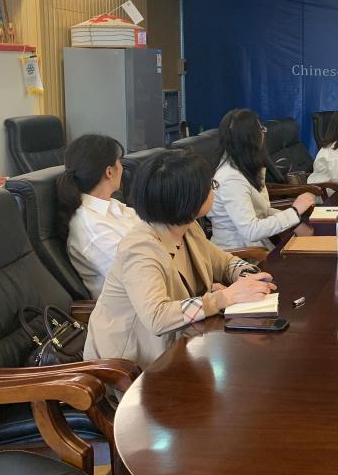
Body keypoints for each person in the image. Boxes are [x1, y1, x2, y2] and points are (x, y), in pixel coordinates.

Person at [83, 150, 276, 369]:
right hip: (131, 365)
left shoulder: (187, 227)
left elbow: (223, 262)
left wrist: (248, 276)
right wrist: (223, 298)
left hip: (183, 344)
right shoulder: (140, 249)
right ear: (188, 200)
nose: (213, 190)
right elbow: (157, 317)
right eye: (210, 186)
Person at [209, 109, 315, 250]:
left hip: (255, 247)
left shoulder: (244, 167)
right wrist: (294, 211)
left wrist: (295, 222)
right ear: (250, 138)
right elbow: (251, 230)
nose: (264, 134)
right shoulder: (231, 179)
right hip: (240, 255)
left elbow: (262, 212)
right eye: (261, 130)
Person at [57, 134, 139, 298]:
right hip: (131, 307)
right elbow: (138, 273)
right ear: (109, 172)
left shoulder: (112, 206)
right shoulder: (91, 226)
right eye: (119, 161)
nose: (122, 167)